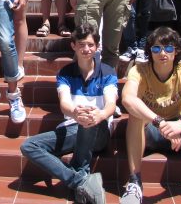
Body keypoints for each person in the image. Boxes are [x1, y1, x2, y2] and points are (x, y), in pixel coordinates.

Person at [119, 27, 181, 204]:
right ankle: (135, 182)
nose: (162, 53)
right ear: (150, 51)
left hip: (178, 133)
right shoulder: (139, 70)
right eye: (156, 48)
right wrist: (159, 122)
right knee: (135, 114)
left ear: (176, 51)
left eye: (168, 48)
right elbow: (127, 99)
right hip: (149, 131)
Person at [20, 24, 116, 204]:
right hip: (71, 128)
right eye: (81, 44)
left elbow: (111, 104)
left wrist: (101, 115)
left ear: (97, 47)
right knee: (28, 146)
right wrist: (74, 112)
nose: (86, 49)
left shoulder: (107, 72)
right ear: (73, 46)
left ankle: (80, 178)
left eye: (90, 45)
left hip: (99, 129)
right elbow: (64, 103)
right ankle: (80, 180)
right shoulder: (65, 74)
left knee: (88, 119)